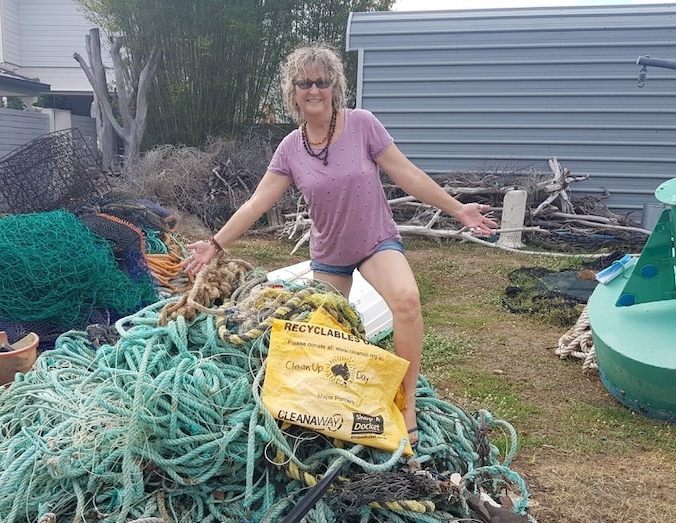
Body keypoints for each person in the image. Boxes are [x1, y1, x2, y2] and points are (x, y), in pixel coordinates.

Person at [184, 42, 498, 447]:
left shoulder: (363, 125)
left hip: (375, 242)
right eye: (304, 82)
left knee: (406, 301)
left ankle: (407, 403)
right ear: (292, 92)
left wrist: (459, 210)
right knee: (330, 338)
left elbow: (407, 173)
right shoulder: (290, 149)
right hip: (329, 256)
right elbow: (257, 203)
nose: (314, 89)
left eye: (322, 81)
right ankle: (339, 404)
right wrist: (215, 242)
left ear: (335, 86)